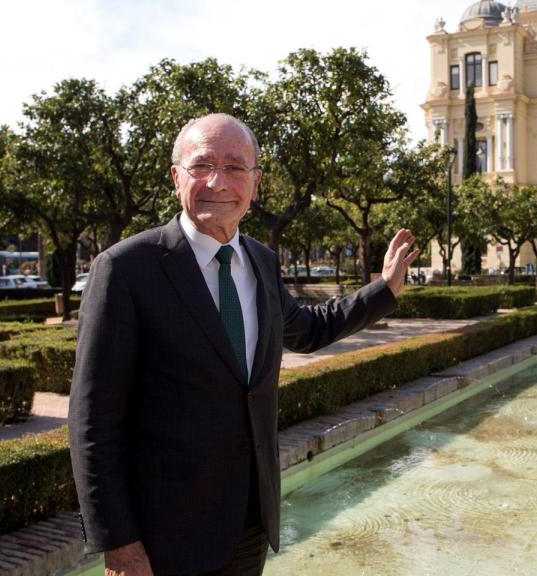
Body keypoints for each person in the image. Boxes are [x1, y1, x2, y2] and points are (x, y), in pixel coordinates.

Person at [68, 113, 418, 576]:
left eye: (235, 168)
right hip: (162, 536)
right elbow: (93, 421)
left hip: (250, 520)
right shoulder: (127, 269)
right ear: (177, 177)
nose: (219, 181)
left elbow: (308, 329)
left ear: (254, 183)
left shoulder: (259, 260)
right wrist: (120, 544)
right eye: (202, 165)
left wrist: (385, 289)